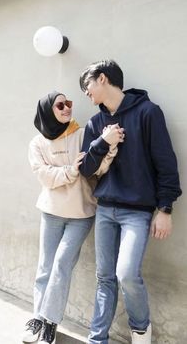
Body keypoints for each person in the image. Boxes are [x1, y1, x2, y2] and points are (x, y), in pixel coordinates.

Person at [79, 60, 182, 344]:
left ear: (102, 79)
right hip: (105, 210)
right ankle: (97, 339)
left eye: (87, 86)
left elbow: (166, 165)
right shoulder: (95, 122)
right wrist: (102, 141)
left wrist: (165, 209)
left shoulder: (148, 112)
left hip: (137, 212)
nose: (85, 93)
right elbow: (86, 169)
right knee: (104, 277)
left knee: (125, 274)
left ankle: (140, 330)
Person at [22, 91, 122, 344]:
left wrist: (107, 151)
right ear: (48, 110)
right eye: (60, 105)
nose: (67, 108)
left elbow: (96, 169)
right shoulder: (38, 143)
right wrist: (70, 170)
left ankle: (49, 323)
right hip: (51, 212)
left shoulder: (82, 133)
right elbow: (45, 177)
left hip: (81, 213)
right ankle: (37, 320)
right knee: (45, 267)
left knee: (61, 265)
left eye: (69, 103)